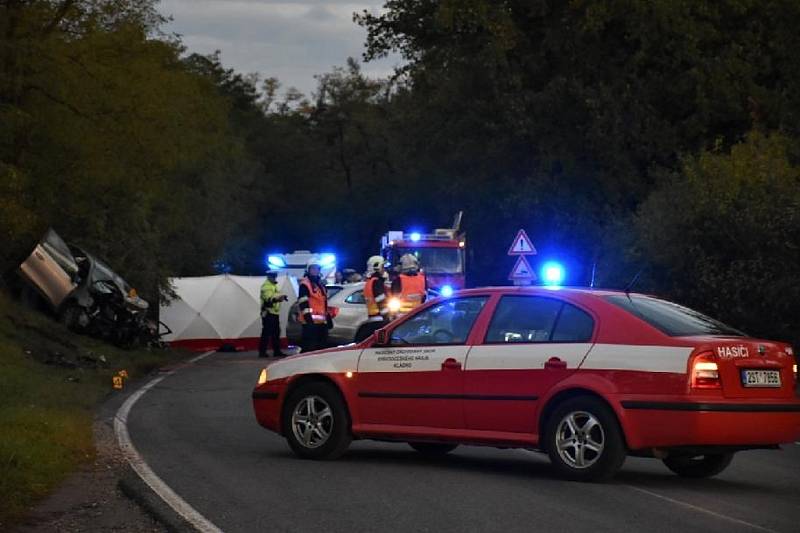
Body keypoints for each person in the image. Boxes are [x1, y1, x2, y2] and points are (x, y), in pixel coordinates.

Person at [297, 258, 329, 352]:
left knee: (321, 349)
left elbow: (323, 302)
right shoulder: (305, 284)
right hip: (309, 323)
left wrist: (327, 318)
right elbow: (303, 302)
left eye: (317, 268)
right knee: (309, 348)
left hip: (321, 323)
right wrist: (308, 319)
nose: (315, 270)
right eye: (313, 268)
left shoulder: (319, 284)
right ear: (308, 270)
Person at [258, 270, 288, 358]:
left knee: (275, 332)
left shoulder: (273, 285)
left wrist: (282, 297)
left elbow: (274, 296)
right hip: (268, 312)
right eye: (273, 276)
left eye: (275, 276)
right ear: (269, 277)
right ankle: (262, 352)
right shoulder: (267, 286)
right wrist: (278, 299)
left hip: (273, 313)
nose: (274, 277)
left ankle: (276, 351)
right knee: (267, 333)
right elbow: (269, 299)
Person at [362, 255, 391, 337]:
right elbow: (381, 301)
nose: (384, 269)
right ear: (376, 266)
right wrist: (388, 318)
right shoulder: (377, 282)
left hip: (373, 319)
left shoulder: (370, 282)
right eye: (382, 266)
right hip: (380, 321)